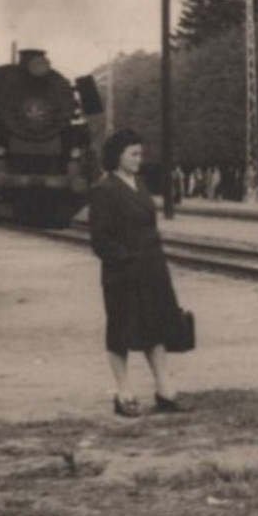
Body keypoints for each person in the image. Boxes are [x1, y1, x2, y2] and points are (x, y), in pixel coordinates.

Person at [87, 129, 190, 418]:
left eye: (140, 154)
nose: (138, 159)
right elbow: (100, 239)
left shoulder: (139, 184)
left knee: (155, 330)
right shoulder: (104, 189)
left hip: (152, 270)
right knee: (120, 333)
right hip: (123, 274)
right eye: (133, 154)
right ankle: (123, 394)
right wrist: (126, 259)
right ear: (117, 156)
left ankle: (165, 391)